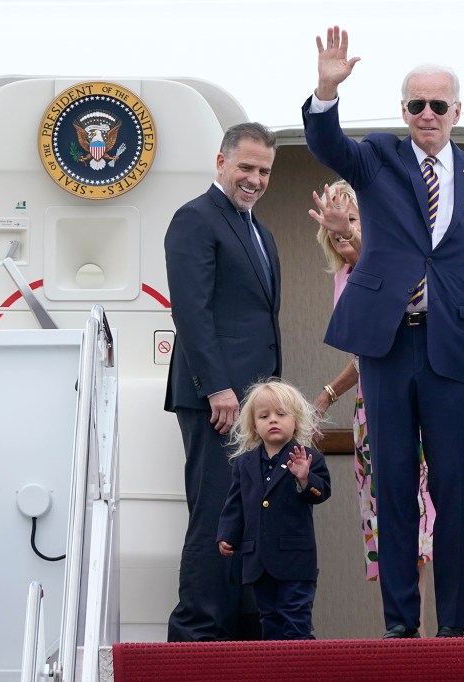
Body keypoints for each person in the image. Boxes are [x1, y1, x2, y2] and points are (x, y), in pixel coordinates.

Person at [302, 27, 464, 638]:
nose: (428, 114)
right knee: (394, 488)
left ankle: (451, 632)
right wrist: (326, 88)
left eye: (439, 105)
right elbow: (326, 143)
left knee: (455, 493)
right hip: (388, 345)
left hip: (452, 345)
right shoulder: (378, 157)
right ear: (404, 111)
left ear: (458, 111)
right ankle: (402, 630)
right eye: (417, 105)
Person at [164, 122, 281, 642]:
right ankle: (196, 634)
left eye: (264, 171)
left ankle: (242, 631)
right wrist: (216, 386)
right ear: (221, 163)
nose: (255, 179)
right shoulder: (195, 219)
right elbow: (191, 310)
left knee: (248, 517)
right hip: (220, 400)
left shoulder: (261, 231)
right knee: (214, 513)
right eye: (246, 167)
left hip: (254, 403)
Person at [309, 181, 436, 634]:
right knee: (382, 513)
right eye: (336, 233)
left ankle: (414, 629)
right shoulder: (344, 276)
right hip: (370, 406)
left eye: (353, 224)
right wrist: (326, 395)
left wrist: (361, 243)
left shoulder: (396, 262)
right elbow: (363, 350)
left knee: (415, 512)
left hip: (411, 400)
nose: (344, 238)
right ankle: (402, 625)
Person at [217, 380, 331, 640]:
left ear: (296, 420)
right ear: (254, 425)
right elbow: (235, 504)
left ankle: (300, 669)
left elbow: (321, 492)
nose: (273, 420)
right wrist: (227, 534)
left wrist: (304, 478)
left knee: (296, 618)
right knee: (269, 619)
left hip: (295, 561)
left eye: (281, 414)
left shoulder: (308, 457)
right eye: (264, 416)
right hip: (258, 561)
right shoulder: (244, 464)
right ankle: (274, 669)